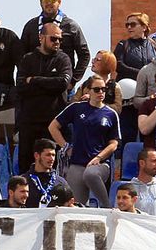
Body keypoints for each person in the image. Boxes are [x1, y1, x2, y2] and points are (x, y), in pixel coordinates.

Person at [13, 21, 73, 175]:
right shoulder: (28, 59)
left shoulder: (63, 59)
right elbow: (20, 86)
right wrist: (48, 84)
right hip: (29, 123)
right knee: (26, 169)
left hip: (53, 124)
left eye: (60, 39)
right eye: (53, 39)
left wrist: (34, 80)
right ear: (41, 38)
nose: (57, 42)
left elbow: (62, 83)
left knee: (52, 169)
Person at [50, 75, 119, 209]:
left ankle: (107, 207)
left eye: (104, 89)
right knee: (74, 204)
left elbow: (114, 143)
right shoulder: (77, 108)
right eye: (97, 89)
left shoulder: (110, 113)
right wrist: (65, 146)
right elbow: (53, 127)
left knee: (91, 174)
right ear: (88, 91)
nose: (101, 93)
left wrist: (99, 157)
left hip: (100, 164)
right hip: (77, 162)